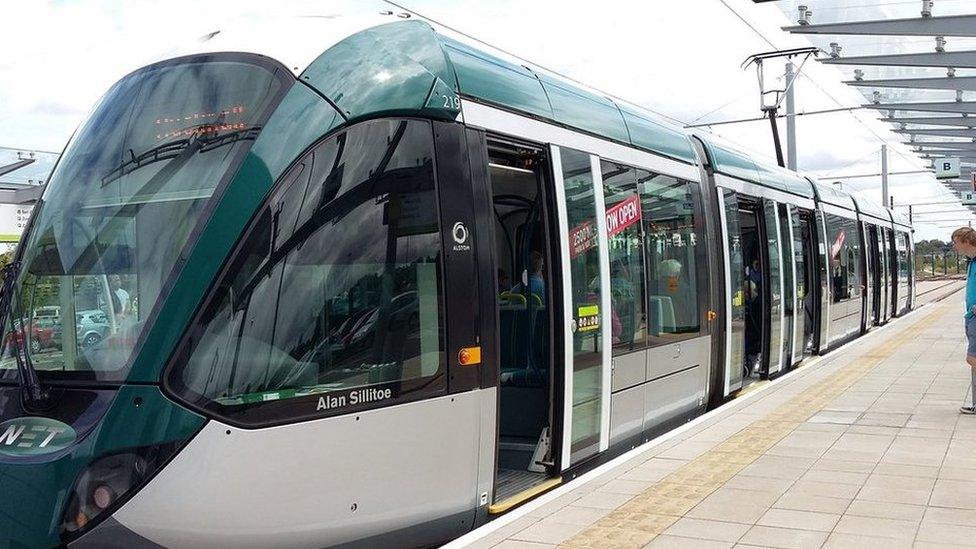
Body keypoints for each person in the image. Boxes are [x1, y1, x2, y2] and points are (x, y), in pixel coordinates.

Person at [951, 227, 976, 414]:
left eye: (956, 242)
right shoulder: (972, 262)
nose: (954, 246)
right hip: (971, 316)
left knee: (973, 359)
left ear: (966, 241)